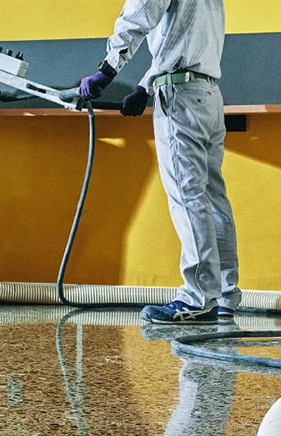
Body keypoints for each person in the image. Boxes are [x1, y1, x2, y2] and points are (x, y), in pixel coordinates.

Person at [78, 0, 241, 324]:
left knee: (188, 197)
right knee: (212, 199)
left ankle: (197, 298)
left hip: (181, 99)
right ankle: (225, 295)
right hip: (207, 94)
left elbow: (137, 18)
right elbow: (180, 40)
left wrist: (107, 71)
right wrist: (144, 86)